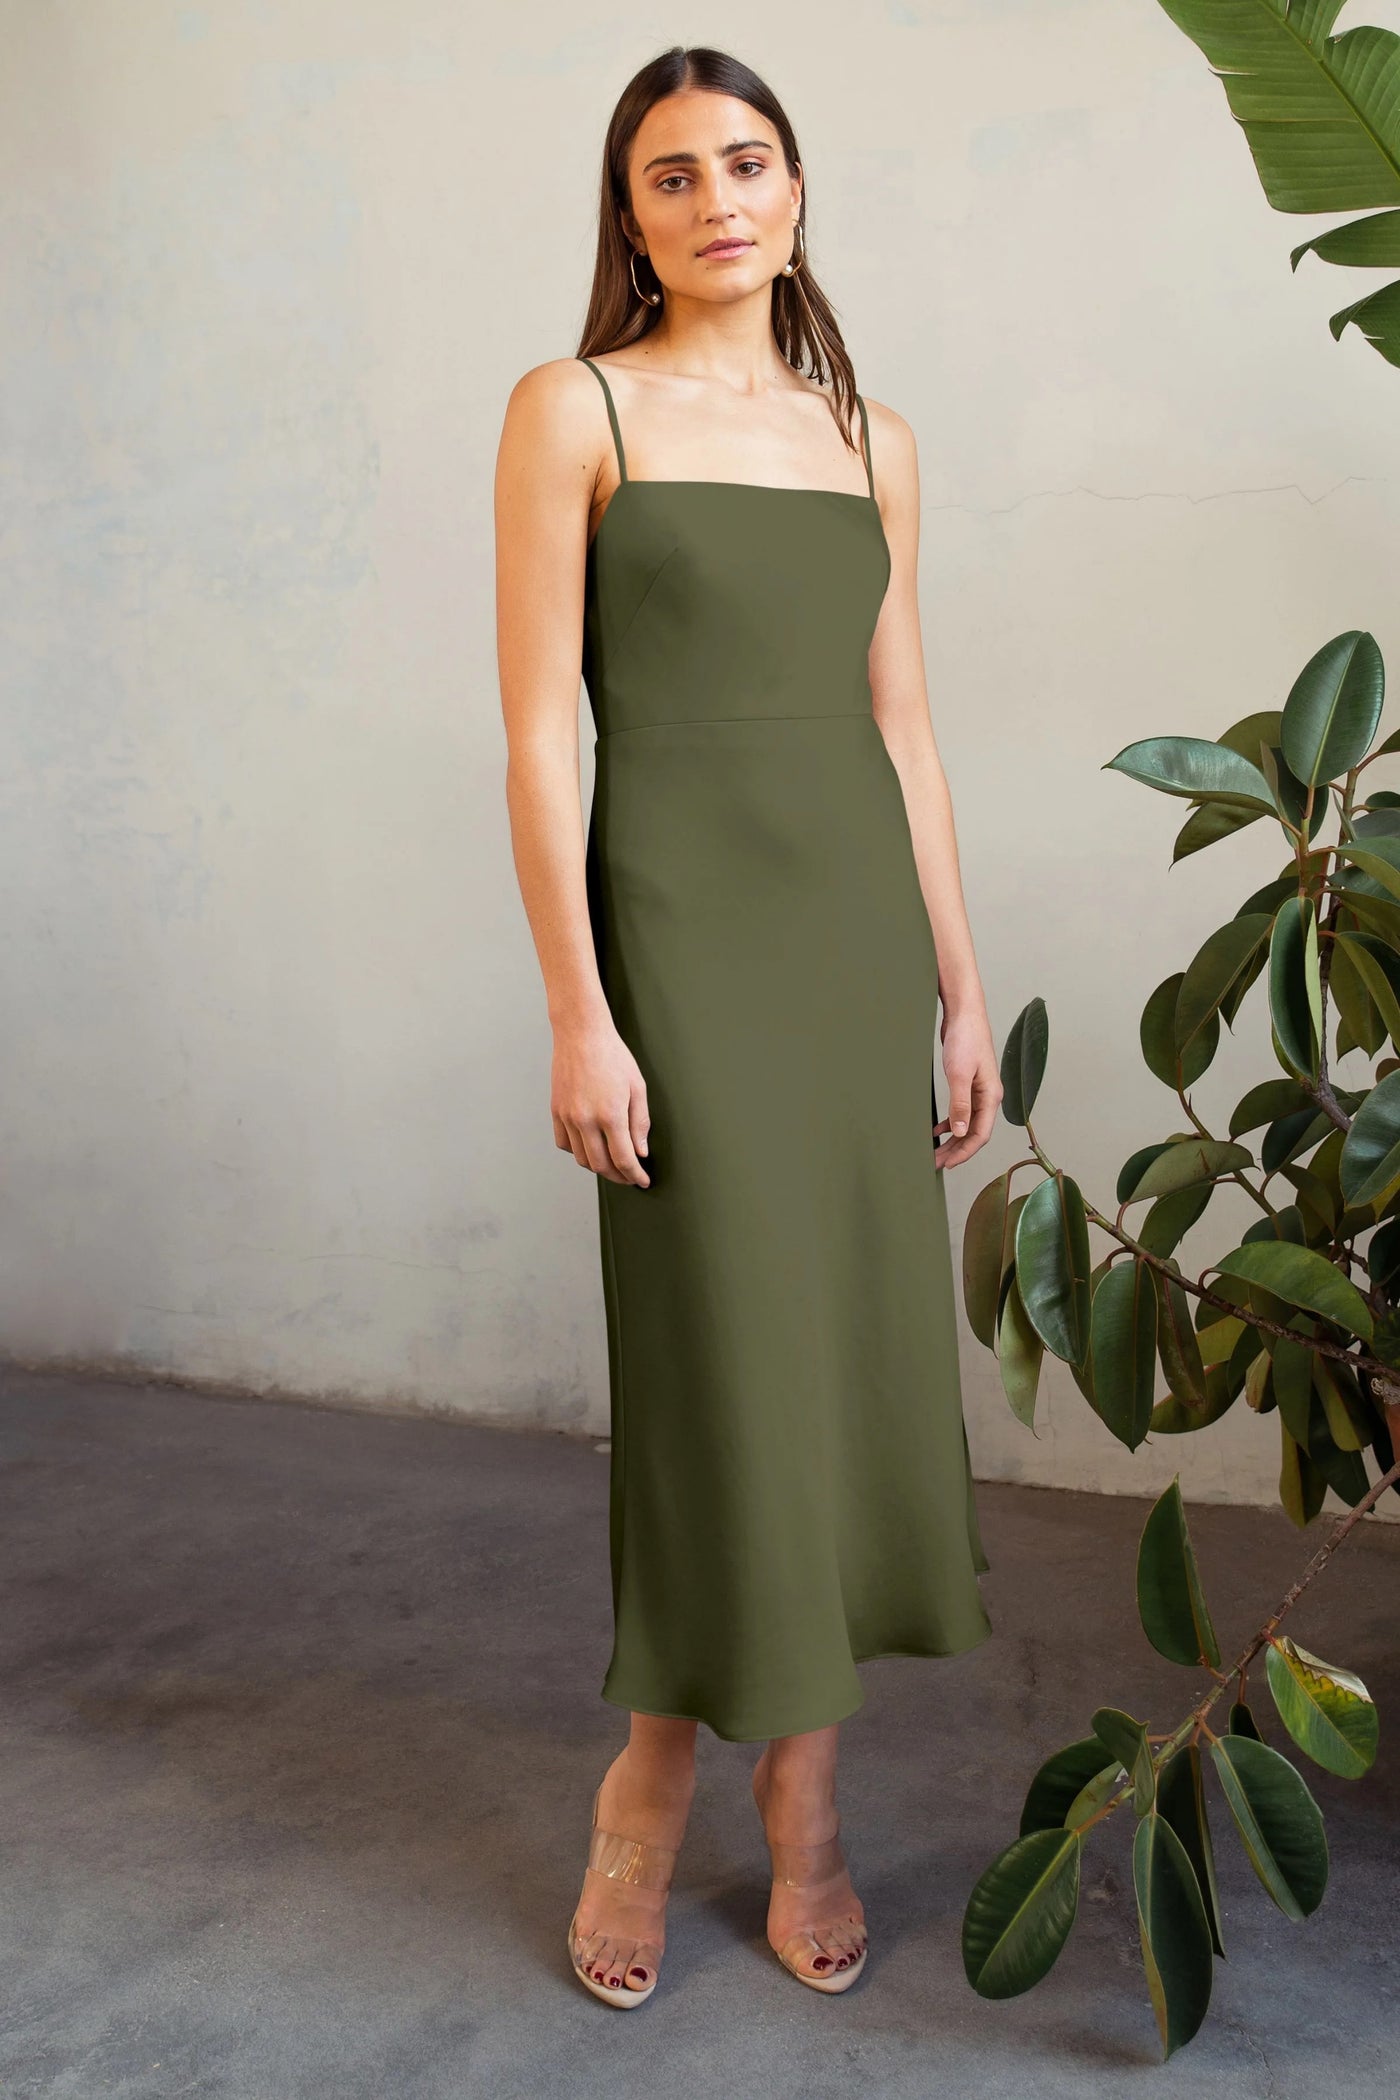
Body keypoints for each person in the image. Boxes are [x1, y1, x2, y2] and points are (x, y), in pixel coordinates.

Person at [494, 44, 1002, 2008]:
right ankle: (645, 1784)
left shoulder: (870, 435)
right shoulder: (574, 408)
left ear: (797, 190)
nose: (718, 199)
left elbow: (904, 725)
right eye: (672, 175)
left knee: (850, 1364)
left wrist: (961, 985)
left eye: (749, 162)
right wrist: (577, 1008)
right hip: (680, 947)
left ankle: (805, 1799)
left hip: (848, 947)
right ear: (629, 219)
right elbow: (543, 729)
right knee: (719, 1374)